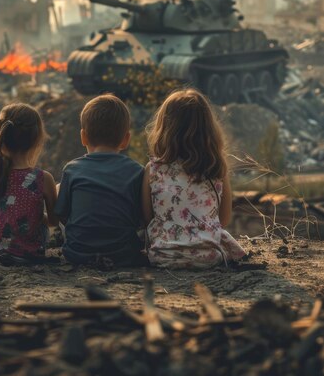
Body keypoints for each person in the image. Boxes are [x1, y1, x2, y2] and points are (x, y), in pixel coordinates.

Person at [142, 88, 245, 269]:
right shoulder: (216, 168)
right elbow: (224, 219)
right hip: (210, 256)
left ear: (164, 128)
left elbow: (147, 218)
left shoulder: (153, 170)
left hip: (162, 256)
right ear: (209, 130)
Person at [55, 94, 145, 267]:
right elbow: (139, 217)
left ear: (83, 137)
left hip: (77, 254)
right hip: (123, 256)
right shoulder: (137, 171)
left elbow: (62, 214)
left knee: (59, 188)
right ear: (126, 140)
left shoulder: (72, 169)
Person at [0, 103, 58, 261]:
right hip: (29, 256)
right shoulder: (44, 178)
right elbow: (54, 221)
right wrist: (34, 215)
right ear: (37, 140)